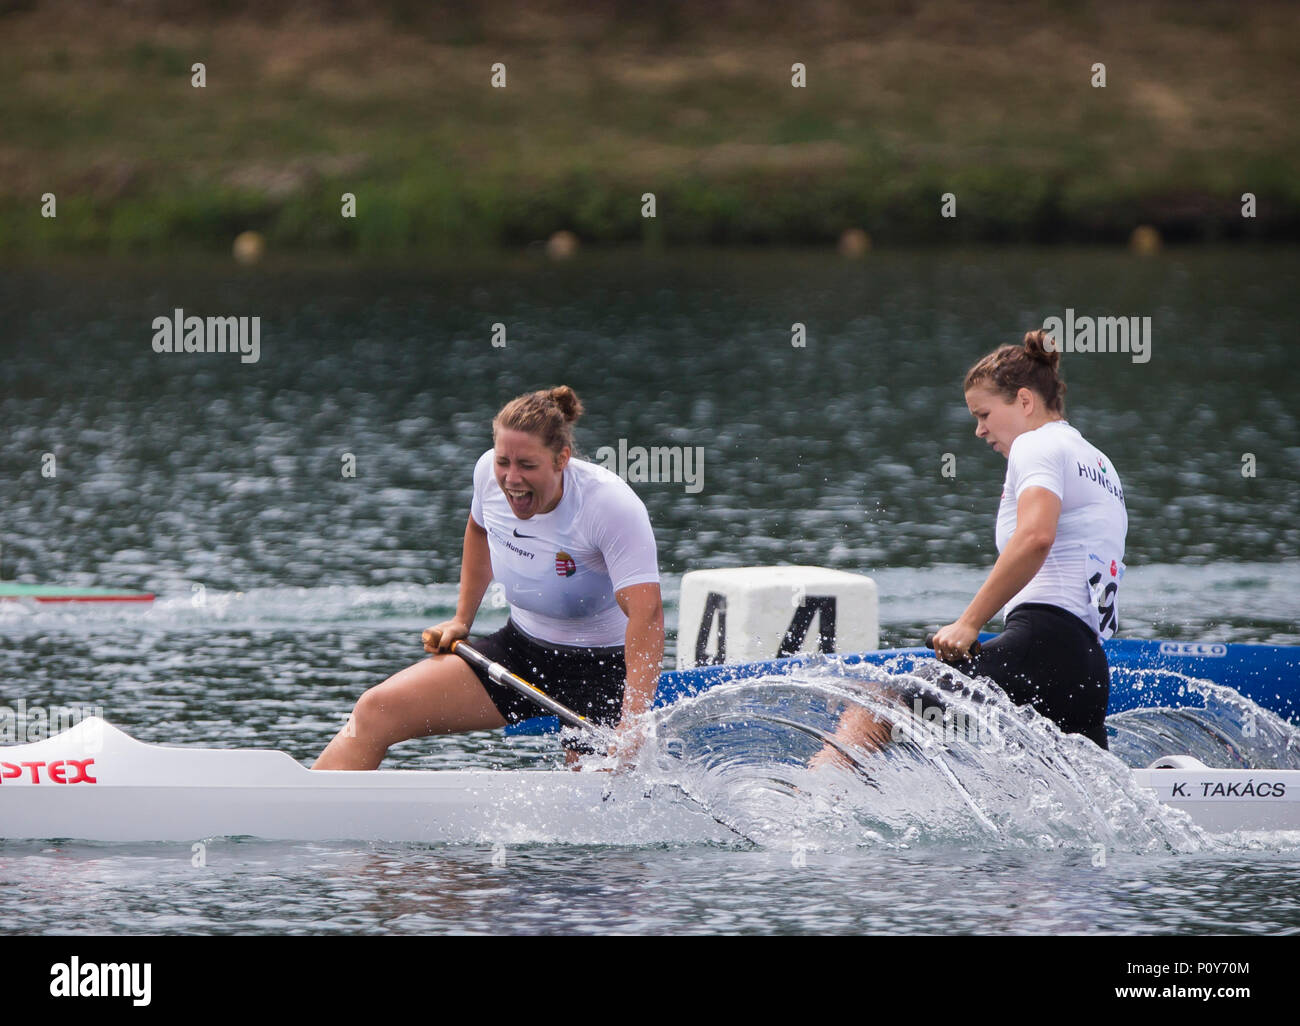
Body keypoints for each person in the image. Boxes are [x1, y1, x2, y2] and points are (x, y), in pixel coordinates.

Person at [313, 386, 664, 770]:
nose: (512, 479)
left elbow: (647, 618)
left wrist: (632, 728)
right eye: (504, 462)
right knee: (375, 710)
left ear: (561, 458)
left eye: (527, 465)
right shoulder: (487, 475)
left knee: (594, 788)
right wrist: (462, 619)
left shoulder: (609, 506)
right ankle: (306, 813)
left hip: (603, 669)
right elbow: (479, 530)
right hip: (522, 652)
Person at [815, 329, 1125, 763]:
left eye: (983, 414)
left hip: (1038, 652)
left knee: (880, 706)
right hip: (1085, 669)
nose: (979, 431)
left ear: (1024, 401)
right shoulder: (1099, 462)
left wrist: (968, 624)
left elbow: (1036, 536)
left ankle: (812, 807)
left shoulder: (1036, 444)